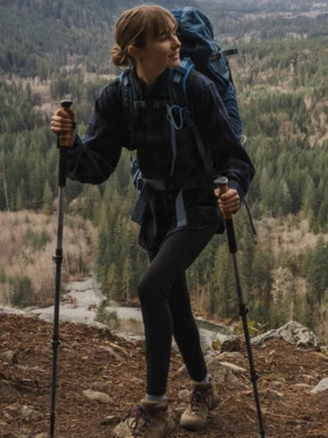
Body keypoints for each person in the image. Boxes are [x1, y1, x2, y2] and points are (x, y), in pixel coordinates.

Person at [50, 5, 254, 438]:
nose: (177, 44)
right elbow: (97, 164)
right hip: (157, 208)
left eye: (176, 34)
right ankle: (203, 389)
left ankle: (155, 406)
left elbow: (233, 154)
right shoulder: (117, 97)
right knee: (173, 298)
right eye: (165, 38)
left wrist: (234, 188)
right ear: (136, 50)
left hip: (200, 204)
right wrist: (69, 146)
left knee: (150, 286)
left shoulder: (196, 88)